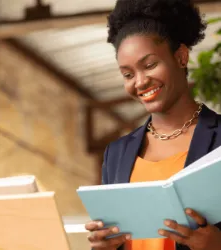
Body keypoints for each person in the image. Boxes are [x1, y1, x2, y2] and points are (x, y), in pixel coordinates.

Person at [85, 0, 221, 250]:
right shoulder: (116, 153)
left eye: (149, 65)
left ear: (180, 56)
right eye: (128, 74)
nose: (140, 82)